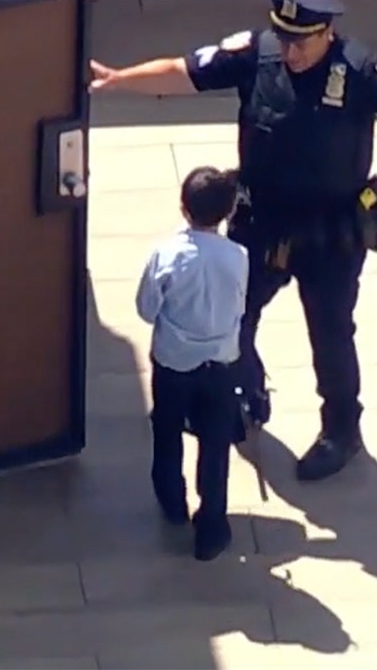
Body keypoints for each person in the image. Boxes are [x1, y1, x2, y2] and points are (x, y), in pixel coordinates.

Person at [91, 0, 377, 483]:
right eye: (284, 38)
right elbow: (183, 71)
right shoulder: (255, 54)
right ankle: (247, 395)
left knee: (332, 334)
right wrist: (120, 80)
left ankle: (342, 431)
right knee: (236, 318)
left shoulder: (359, 69)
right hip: (262, 224)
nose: (290, 51)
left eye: (301, 42)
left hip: (330, 232)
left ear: (328, 33)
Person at [136, 166, 249, 562]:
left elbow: (146, 311)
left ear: (183, 208)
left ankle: (171, 501)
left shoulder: (166, 256)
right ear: (228, 210)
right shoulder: (238, 256)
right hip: (219, 364)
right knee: (216, 445)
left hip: (173, 362)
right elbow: (239, 306)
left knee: (167, 430)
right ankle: (212, 527)